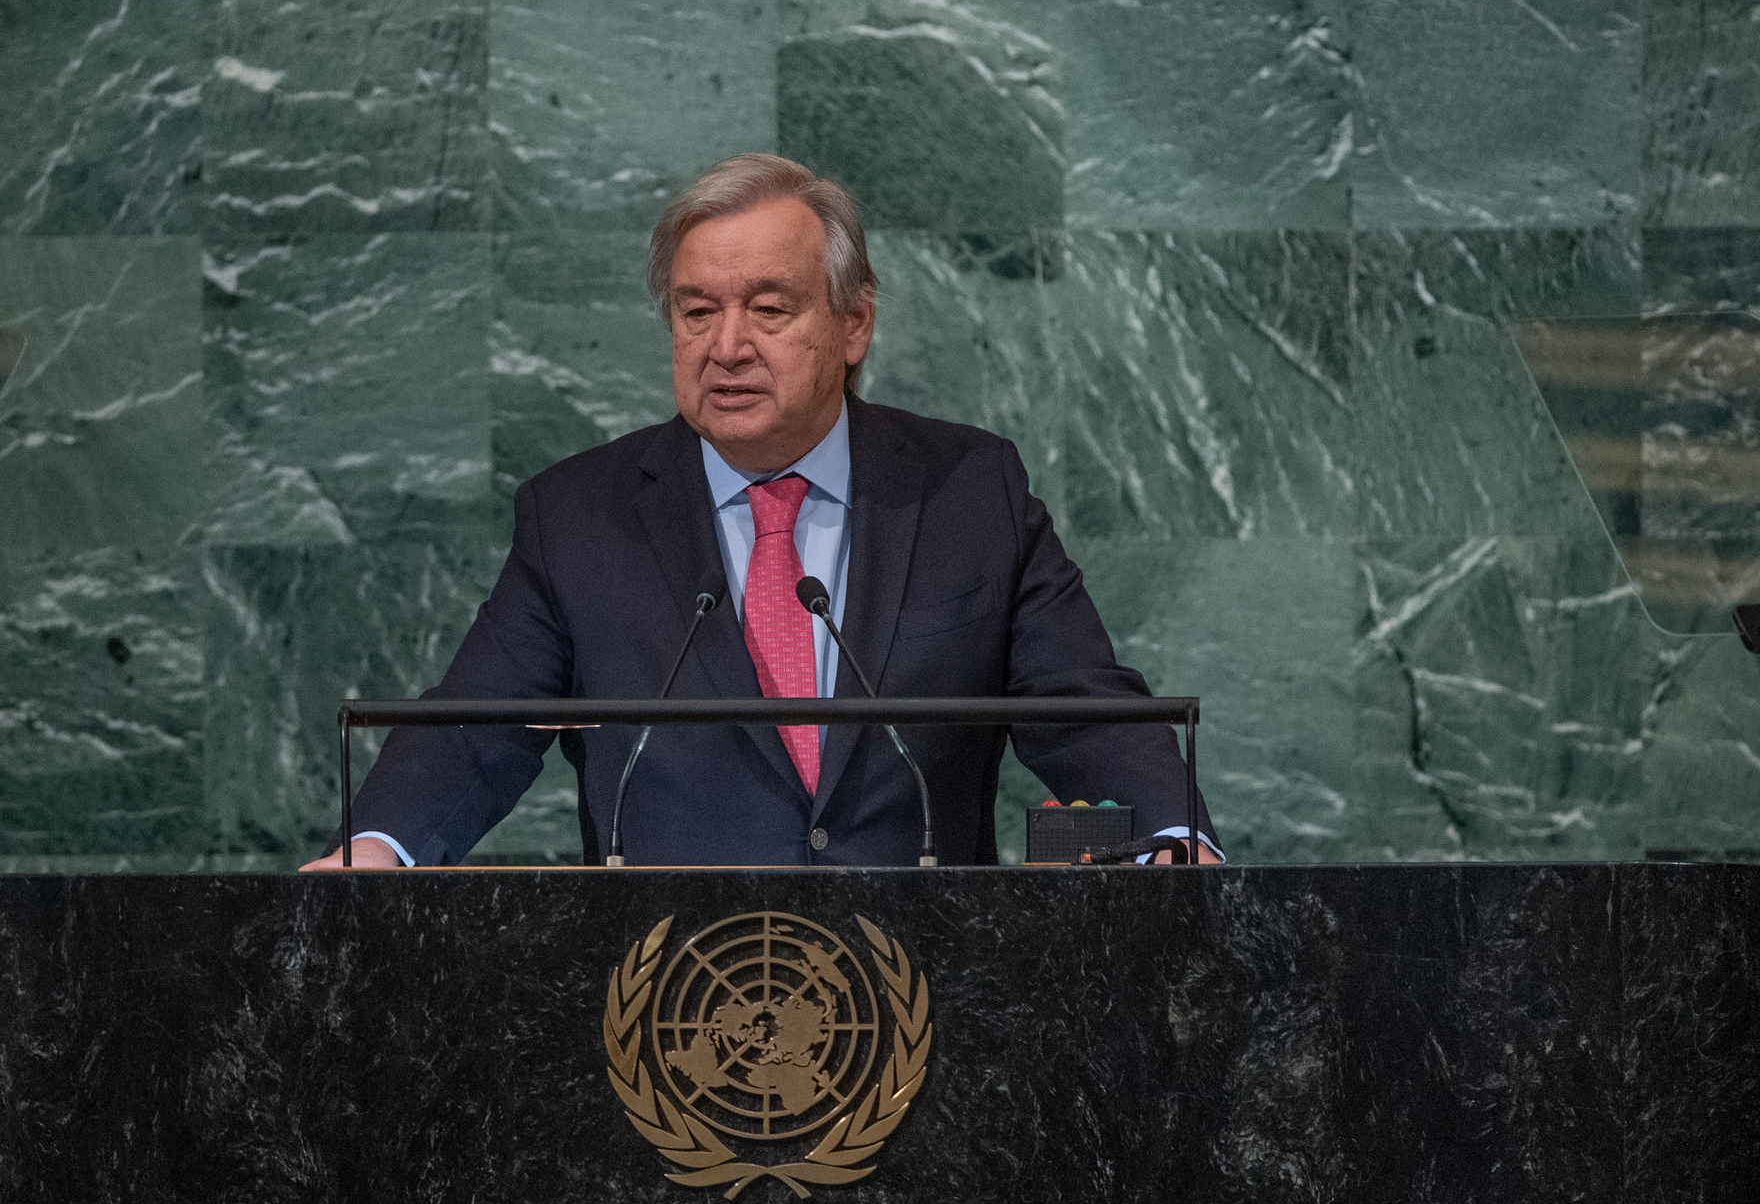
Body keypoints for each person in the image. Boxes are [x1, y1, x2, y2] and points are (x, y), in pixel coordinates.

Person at [305, 154, 1219, 870]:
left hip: (932, 1011)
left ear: (853, 324)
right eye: (697, 310)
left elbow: (1084, 709)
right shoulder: (579, 518)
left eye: (768, 308)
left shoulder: (968, 490)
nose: (727, 345)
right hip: (671, 1021)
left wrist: (1174, 839)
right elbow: (474, 728)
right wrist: (376, 850)